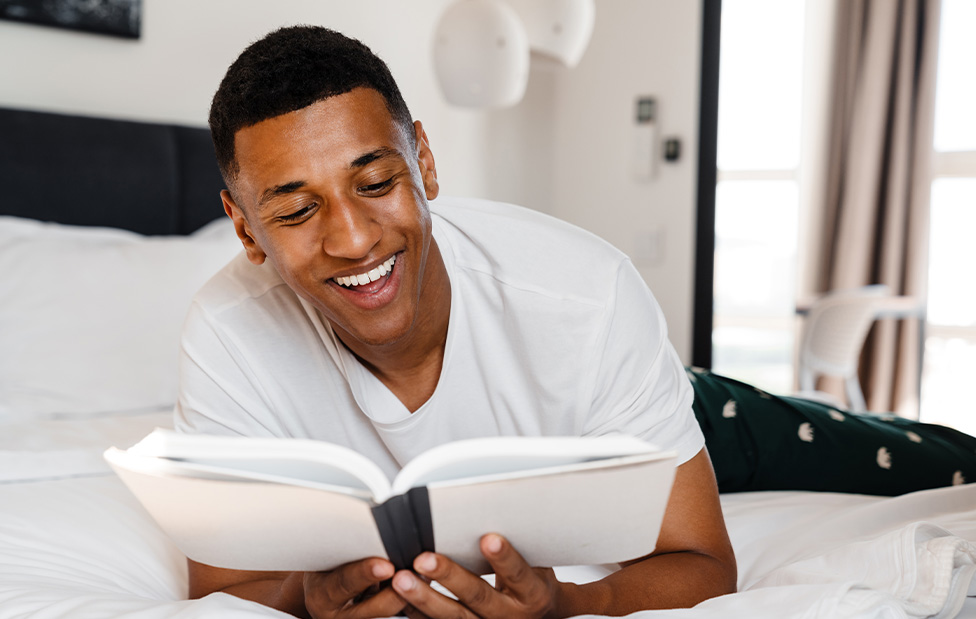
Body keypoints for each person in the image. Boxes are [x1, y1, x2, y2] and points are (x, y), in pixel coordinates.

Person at [176, 25, 736, 619]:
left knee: (831, 441)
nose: (354, 238)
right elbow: (223, 589)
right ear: (245, 231)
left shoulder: (590, 298)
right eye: (297, 210)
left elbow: (702, 560)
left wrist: (567, 605)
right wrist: (304, 599)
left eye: (376, 183)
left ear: (424, 162)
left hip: (711, 410)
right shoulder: (226, 335)